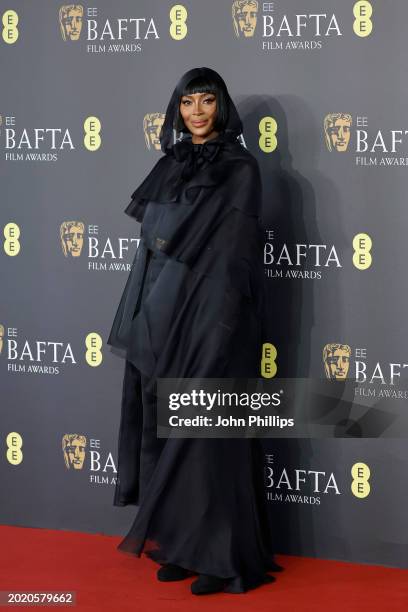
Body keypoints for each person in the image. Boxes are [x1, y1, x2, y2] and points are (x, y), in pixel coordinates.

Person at [107, 66, 283, 595]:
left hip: (215, 318)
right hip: (166, 317)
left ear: (221, 107)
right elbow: (151, 255)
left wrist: (218, 328)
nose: (197, 112)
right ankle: (182, 546)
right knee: (168, 431)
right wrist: (145, 319)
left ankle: (222, 558)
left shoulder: (241, 169)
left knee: (210, 437)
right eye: (187, 102)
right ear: (177, 109)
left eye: (207, 101)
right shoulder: (170, 165)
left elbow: (234, 260)